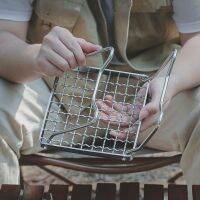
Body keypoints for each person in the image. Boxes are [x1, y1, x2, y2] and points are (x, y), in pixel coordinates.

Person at [0, 0, 200, 190]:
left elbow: (196, 39)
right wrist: (37, 57)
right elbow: (5, 38)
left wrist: (169, 84)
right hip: (55, 93)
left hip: (153, 99)